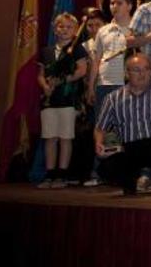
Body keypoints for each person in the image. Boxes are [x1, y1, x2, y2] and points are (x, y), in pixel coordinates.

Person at [94, 53, 151, 196]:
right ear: (127, 72)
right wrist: (99, 142)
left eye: (146, 69)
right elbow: (101, 127)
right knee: (105, 168)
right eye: (136, 69)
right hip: (129, 147)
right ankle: (129, 184)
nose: (142, 73)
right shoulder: (112, 98)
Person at [84, 0, 134, 187]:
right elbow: (96, 61)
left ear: (129, 5)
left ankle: (126, 172)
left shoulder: (135, 29)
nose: (114, 6)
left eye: (119, 3)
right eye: (112, 3)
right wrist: (91, 87)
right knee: (101, 128)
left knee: (127, 129)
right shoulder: (104, 31)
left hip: (127, 85)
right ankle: (98, 173)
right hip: (104, 85)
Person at [36, 13, 88, 188]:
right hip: (49, 100)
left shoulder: (78, 49)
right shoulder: (46, 51)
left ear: (74, 31)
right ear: (55, 28)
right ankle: (49, 174)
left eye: (68, 27)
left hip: (68, 99)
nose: (64, 30)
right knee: (50, 137)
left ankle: (61, 175)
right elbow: (41, 75)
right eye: (61, 27)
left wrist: (63, 80)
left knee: (65, 137)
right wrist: (44, 86)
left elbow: (82, 70)